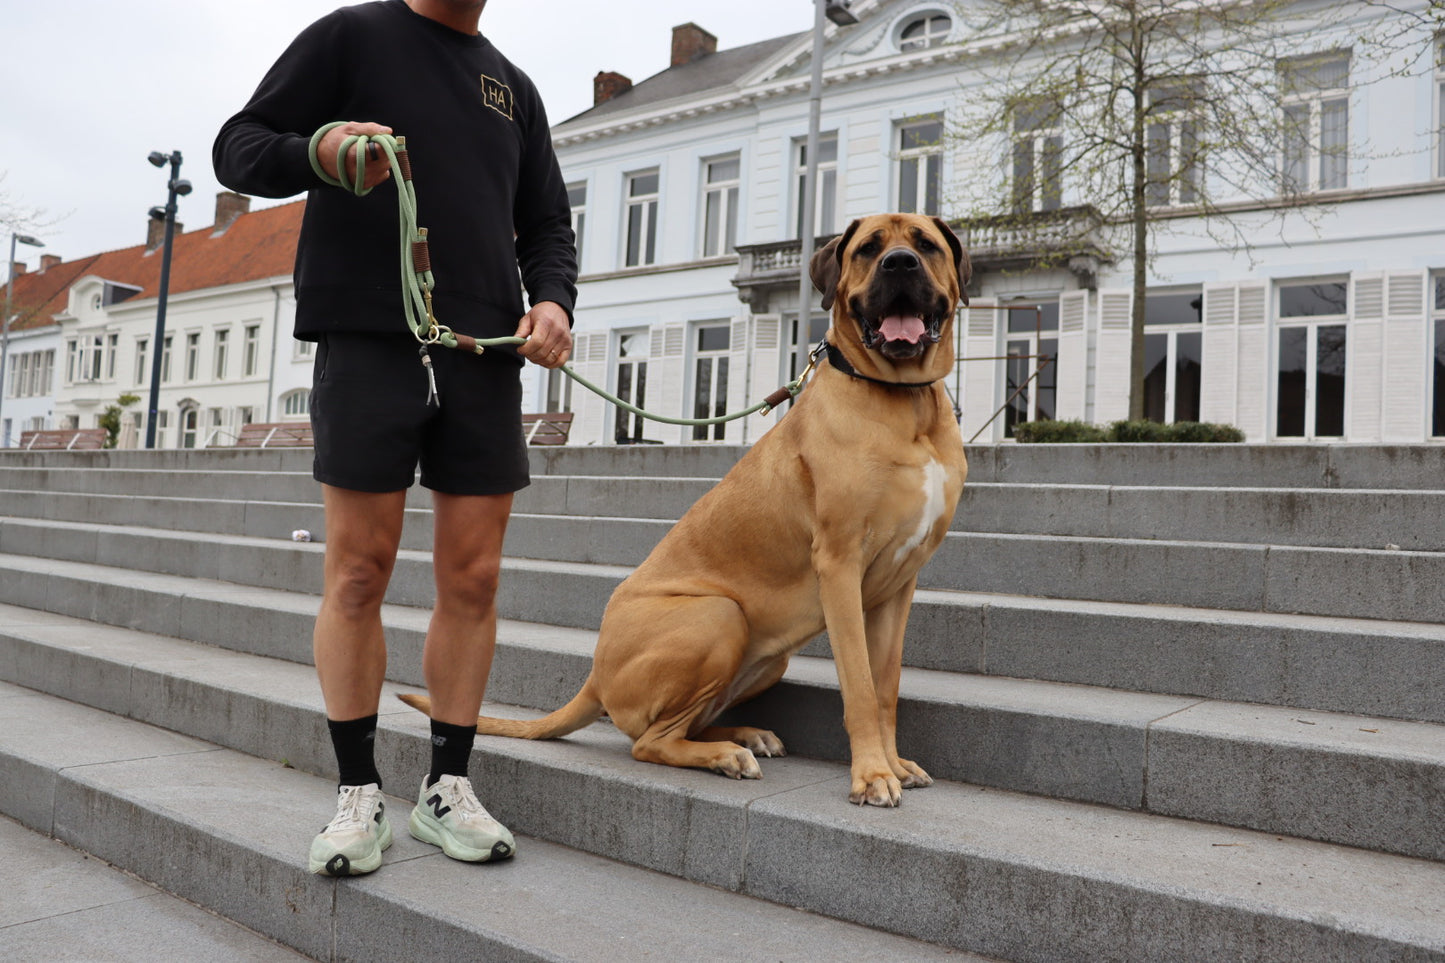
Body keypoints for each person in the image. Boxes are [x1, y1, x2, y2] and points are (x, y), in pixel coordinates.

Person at [213, 0, 576, 877]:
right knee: (357, 571)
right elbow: (237, 146)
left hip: (482, 348)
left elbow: (546, 224)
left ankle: (447, 786)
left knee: (474, 575)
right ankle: (358, 791)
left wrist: (552, 301)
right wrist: (319, 152)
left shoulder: (513, 88)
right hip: (369, 335)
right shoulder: (353, 36)